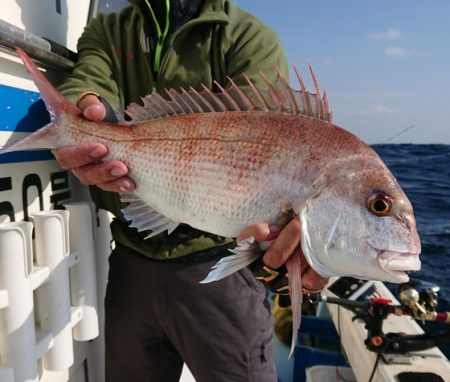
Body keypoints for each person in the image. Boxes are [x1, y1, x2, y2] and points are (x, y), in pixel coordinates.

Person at [54, 0, 328, 381]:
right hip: (130, 260)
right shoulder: (109, 27)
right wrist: (86, 107)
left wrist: (288, 261)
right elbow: (90, 76)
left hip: (220, 267)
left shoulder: (248, 36)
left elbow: (272, 146)